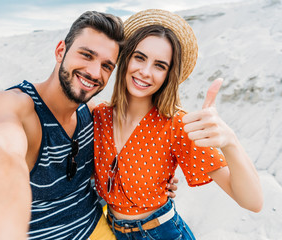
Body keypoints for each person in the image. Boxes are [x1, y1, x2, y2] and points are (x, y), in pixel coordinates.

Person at [0, 10, 178, 240]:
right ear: (60, 51)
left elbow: (114, 160)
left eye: (106, 66)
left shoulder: (94, 115)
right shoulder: (15, 106)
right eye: (86, 55)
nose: (93, 72)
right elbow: (1, 149)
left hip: (96, 227)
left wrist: (151, 180)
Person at [93, 9, 263, 240]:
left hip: (162, 233)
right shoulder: (99, 116)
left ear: (168, 75)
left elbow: (252, 201)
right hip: (110, 231)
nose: (145, 72)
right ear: (126, 57)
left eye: (160, 66)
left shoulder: (178, 125)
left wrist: (229, 141)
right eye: (140, 57)